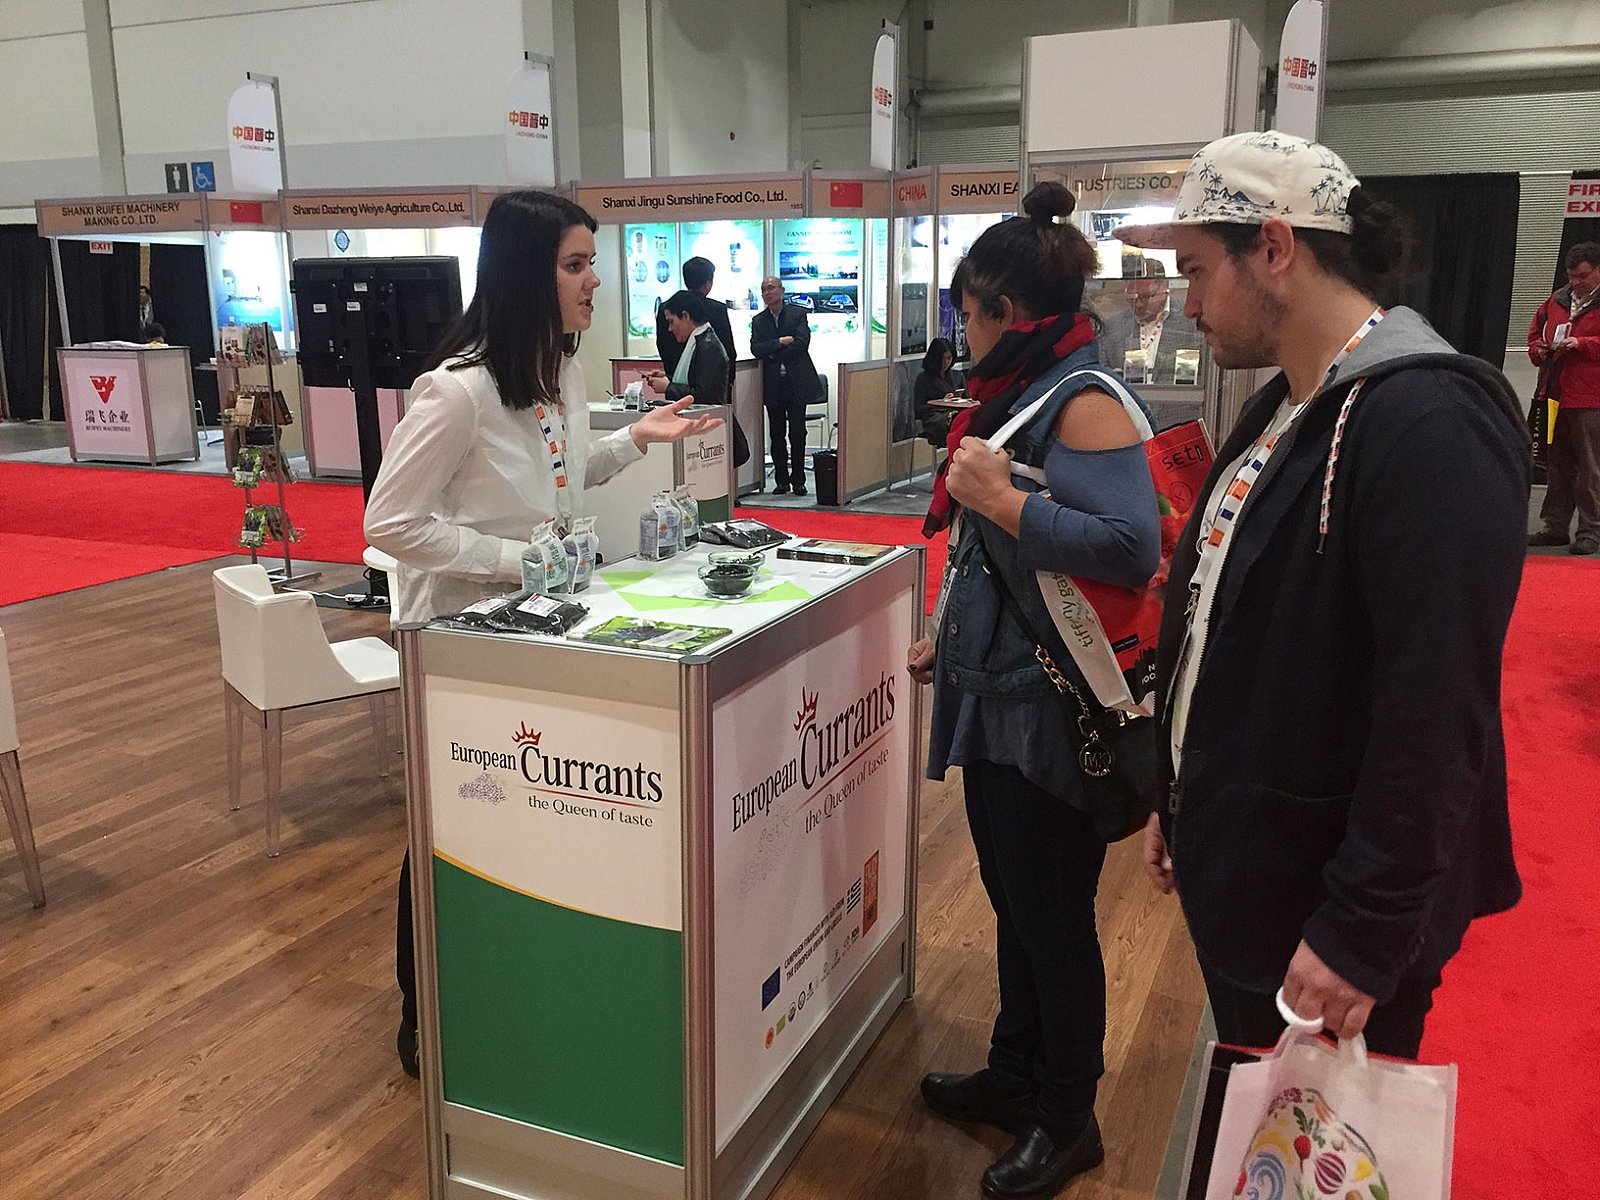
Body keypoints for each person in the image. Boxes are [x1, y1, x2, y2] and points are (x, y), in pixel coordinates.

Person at [1120, 132, 1528, 1058]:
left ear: (1273, 246)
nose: (1188, 304)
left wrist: (1363, 928)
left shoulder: (1428, 421)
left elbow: (1437, 710)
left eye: (1195, 271)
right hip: (1256, 863)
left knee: (1320, 1134)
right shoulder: (1290, 405)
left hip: (1326, 908)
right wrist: (1177, 799)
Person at [364, 190, 720, 1076]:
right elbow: (389, 522)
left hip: (536, 631)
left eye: (592, 262)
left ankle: (513, 989)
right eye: (575, 265)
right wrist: (510, 562)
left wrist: (635, 439)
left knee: (517, 817)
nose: (594, 281)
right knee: (447, 824)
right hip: (457, 643)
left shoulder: (556, 370)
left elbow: (559, 477)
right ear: (530, 273)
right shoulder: (456, 391)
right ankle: (424, 1011)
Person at [905, 182, 1160, 1200]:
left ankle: (1068, 1114)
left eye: (968, 313)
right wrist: (949, 634)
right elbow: (991, 553)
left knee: (1051, 916)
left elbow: (1128, 546)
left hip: (1050, 710)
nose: (961, 332)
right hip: (1001, 687)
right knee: (1015, 901)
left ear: (1006, 312)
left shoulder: (1083, 400)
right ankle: (1017, 1072)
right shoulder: (1024, 389)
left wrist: (1004, 500)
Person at [1527, 241, 1600, 554]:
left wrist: (1582, 344)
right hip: (1555, 394)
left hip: (1591, 398)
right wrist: (1539, 351)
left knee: (1591, 469)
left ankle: (1591, 531)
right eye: (1571, 276)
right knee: (1558, 465)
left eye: (1583, 276)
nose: (1576, 282)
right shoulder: (1556, 300)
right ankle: (1555, 527)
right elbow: (1534, 336)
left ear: (1598, 270)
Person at [751, 276, 822, 495]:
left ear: (782, 290)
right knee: (777, 433)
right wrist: (780, 342)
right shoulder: (759, 320)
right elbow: (756, 349)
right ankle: (781, 480)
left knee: (798, 433)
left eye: (771, 288)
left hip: (796, 383)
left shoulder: (797, 314)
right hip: (773, 385)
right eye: (764, 289)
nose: (767, 293)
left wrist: (772, 352)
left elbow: (801, 344)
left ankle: (799, 480)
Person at [1095, 261, 1204, 385]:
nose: (1138, 304)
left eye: (1146, 296)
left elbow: (1204, 375)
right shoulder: (1111, 326)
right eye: (1132, 297)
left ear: (1164, 287)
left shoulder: (1192, 322)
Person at [645, 290, 731, 409]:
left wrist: (669, 387)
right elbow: (694, 379)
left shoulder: (708, 347)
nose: (670, 328)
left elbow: (705, 395)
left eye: (671, 322)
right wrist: (668, 378)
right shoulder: (699, 341)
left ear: (686, 316)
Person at [655, 256, 734, 376]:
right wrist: (729, 378)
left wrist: (671, 374)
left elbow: (662, 345)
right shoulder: (716, 309)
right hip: (709, 377)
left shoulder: (665, 307)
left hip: (675, 374)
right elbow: (727, 349)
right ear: (708, 284)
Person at [913, 336, 963, 446]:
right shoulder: (923, 378)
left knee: (966, 418)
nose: (946, 363)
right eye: (942, 359)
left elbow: (967, 398)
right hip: (933, 417)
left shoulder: (957, 376)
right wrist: (941, 402)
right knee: (953, 420)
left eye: (949, 358)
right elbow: (919, 408)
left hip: (955, 412)